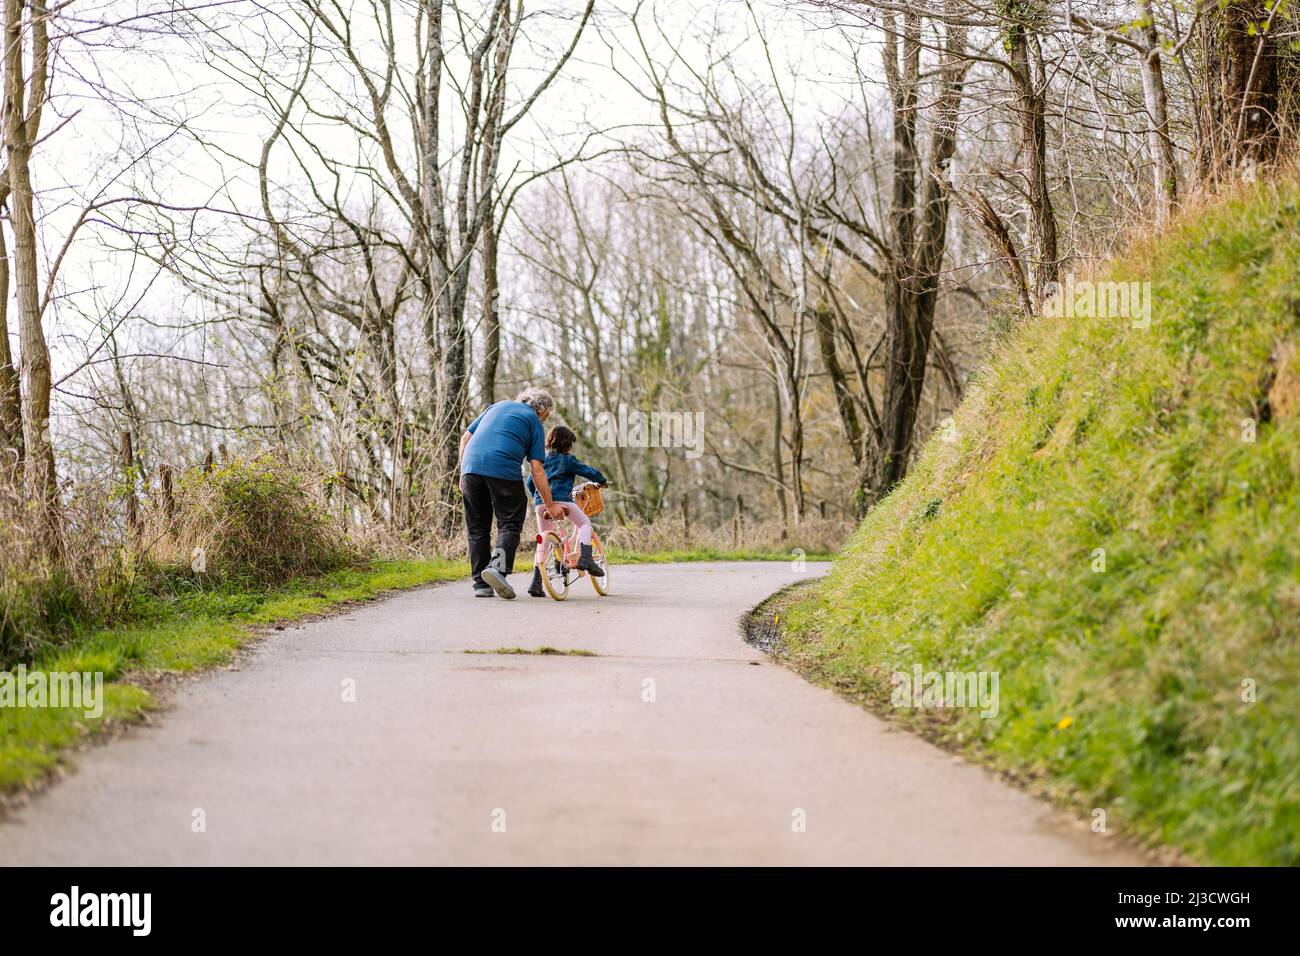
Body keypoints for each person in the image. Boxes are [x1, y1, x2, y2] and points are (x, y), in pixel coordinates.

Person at [458, 388, 566, 599]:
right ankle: (497, 570)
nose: (545, 420)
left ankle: (481, 584)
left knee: (477, 527)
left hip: (470, 470)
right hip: (502, 470)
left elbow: (465, 437)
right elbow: (537, 469)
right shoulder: (532, 420)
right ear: (540, 410)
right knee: (510, 523)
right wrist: (551, 505)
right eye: (547, 415)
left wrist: (463, 473)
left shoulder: (496, 406)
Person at [524, 425, 609, 597]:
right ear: (567, 444)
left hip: (541, 504)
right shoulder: (568, 460)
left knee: (545, 537)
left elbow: (530, 483)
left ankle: (536, 582)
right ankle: (586, 558)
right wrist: (602, 480)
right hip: (562, 500)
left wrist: (538, 498)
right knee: (584, 522)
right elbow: (588, 471)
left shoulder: (541, 461)